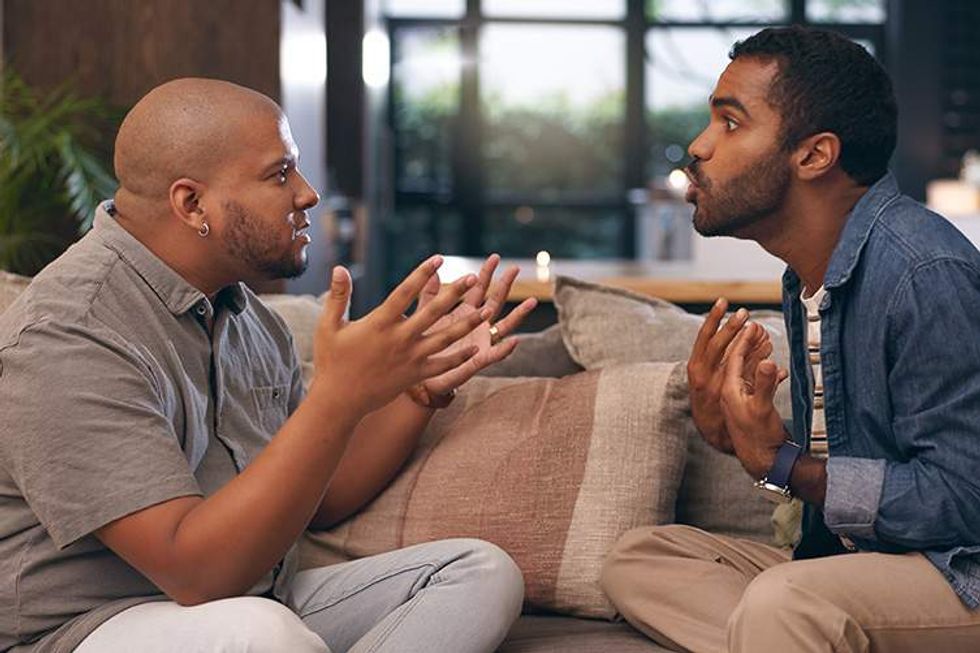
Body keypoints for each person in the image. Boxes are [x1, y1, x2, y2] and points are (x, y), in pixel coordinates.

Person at [0, 78, 538, 652]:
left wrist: (417, 390)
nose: (308, 194)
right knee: (265, 633)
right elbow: (195, 575)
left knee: (477, 572)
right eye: (279, 174)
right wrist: (339, 395)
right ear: (192, 204)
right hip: (89, 626)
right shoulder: (69, 334)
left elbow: (318, 497)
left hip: (249, 600)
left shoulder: (247, 315)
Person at [600, 26, 980, 652]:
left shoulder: (923, 273)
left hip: (955, 572)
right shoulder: (806, 277)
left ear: (813, 155)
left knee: (785, 602)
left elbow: (964, 500)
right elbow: (858, 460)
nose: (698, 146)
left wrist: (783, 465)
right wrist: (733, 438)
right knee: (638, 559)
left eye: (729, 123)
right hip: (854, 565)